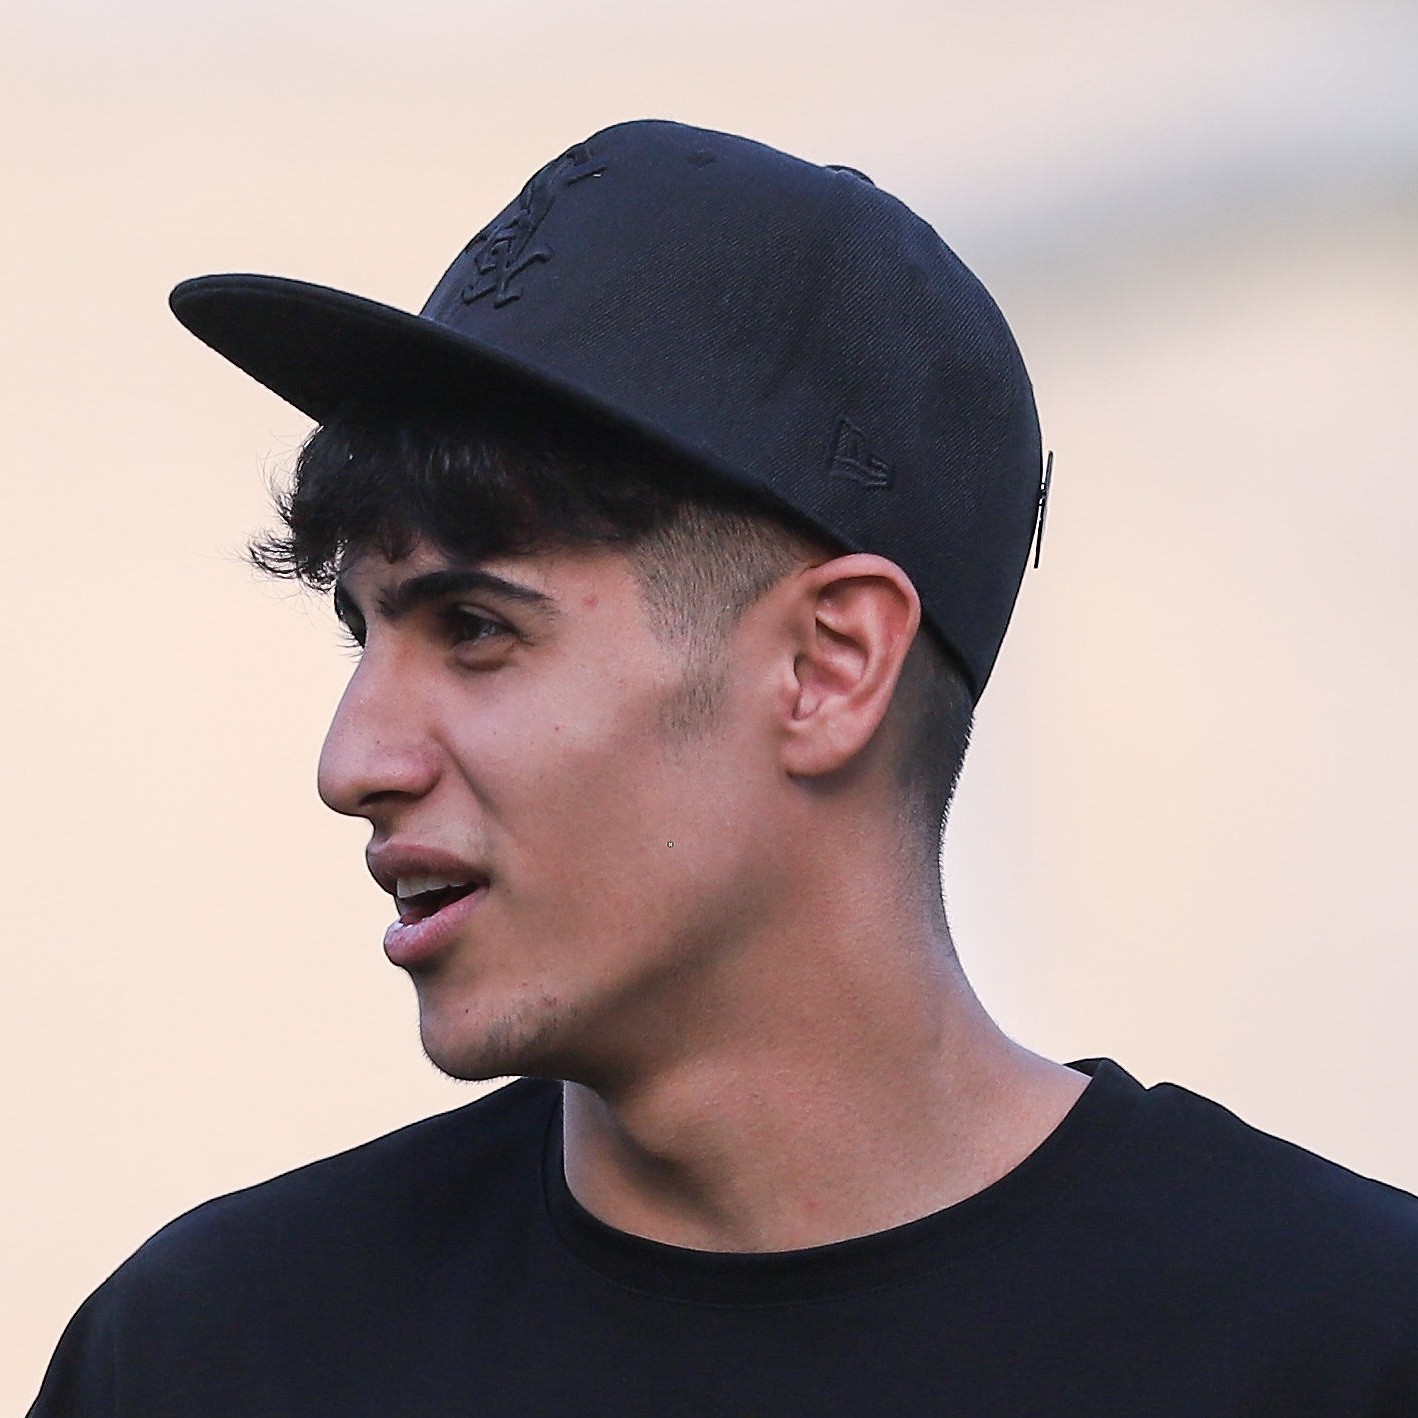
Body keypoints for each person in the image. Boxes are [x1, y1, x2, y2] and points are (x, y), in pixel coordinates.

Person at [29, 119, 1418, 1416]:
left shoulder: (1341, 1343)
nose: (354, 763)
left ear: (827, 666)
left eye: (475, 628)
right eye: (365, 633)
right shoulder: (214, 1356)